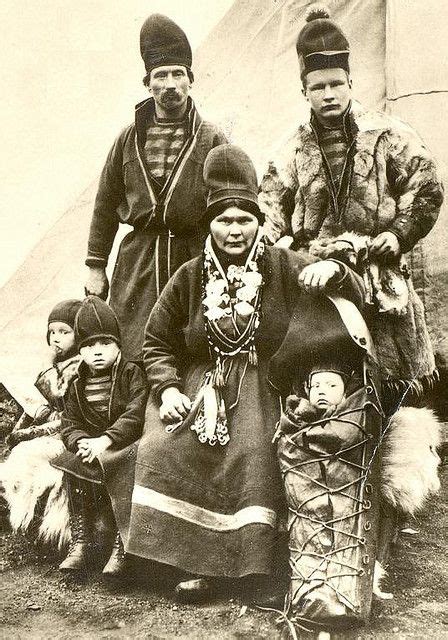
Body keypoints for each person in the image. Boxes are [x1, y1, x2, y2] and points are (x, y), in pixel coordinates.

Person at [121, 143, 365, 603]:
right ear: (209, 224)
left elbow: (351, 288)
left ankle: (256, 570)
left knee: (254, 449)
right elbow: (155, 340)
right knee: (163, 445)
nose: (234, 231)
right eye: (223, 220)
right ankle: (192, 565)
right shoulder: (190, 275)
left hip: (263, 383)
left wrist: (334, 268)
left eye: (244, 220)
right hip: (200, 386)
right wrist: (169, 386)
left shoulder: (283, 264)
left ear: (259, 223)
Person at [259, 7, 444, 403]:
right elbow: (270, 207)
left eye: (337, 85)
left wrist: (398, 234)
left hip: (378, 273)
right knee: (331, 383)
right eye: (318, 87)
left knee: (393, 385)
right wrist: (274, 245)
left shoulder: (387, 135)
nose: (329, 95)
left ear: (350, 82)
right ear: (304, 91)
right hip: (318, 281)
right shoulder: (291, 149)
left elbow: (426, 185)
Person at [84, 14, 227, 359]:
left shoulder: (212, 138)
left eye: (178, 74)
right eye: (160, 75)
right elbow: (105, 203)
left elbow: (228, 205)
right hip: (139, 262)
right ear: (147, 83)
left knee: (193, 348)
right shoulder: (128, 139)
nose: (170, 84)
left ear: (191, 80)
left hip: (193, 257)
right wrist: (95, 265)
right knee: (132, 348)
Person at [51, 296, 148, 577]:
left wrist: (105, 440)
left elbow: (135, 413)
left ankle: (124, 545)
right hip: (91, 446)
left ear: (118, 345)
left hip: (122, 445)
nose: (97, 352)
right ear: (79, 350)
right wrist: (80, 440)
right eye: (89, 345)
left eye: (105, 344)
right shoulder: (76, 382)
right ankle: (82, 541)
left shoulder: (131, 374)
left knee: (130, 469)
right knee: (71, 467)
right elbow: (69, 422)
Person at [3, 299, 82, 548]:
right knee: (20, 455)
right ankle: (16, 508)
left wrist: (34, 431)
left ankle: (41, 521)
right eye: (52, 332)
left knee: (31, 454)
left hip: (72, 431)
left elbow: (62, 403)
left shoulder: (80, 366)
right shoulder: (59, 364)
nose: (56, 338)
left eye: (64, 332)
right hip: (56, 427)